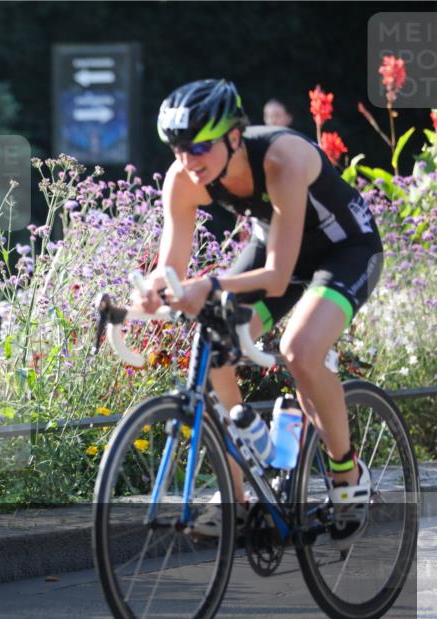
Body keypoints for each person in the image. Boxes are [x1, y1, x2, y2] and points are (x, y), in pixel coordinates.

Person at [139, 79, 382, 548]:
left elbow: (276, 277)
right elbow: (169, 270)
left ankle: (346, 473)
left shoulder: (281, 158)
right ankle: (238, 499)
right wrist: (150, 294)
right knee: (212, 344)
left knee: (300, 350)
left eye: (199, 147)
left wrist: (209, 284)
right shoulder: (183, 179)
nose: (188, 161)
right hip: (275, 248)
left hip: (345, 250)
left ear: (234, 136)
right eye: (177, 149)